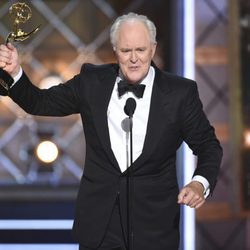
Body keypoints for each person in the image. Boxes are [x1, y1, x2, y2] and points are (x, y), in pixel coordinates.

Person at [0, 12, 222, 250]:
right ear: (115, 50)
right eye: (126, 51)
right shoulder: (92, 81)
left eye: (141, 50)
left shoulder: (180, 93)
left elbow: (208, 146)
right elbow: (39, 102)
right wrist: (15, 73)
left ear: (153, 49)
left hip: (154, 228)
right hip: (100, 228)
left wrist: (199, 183)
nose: (134, 58)